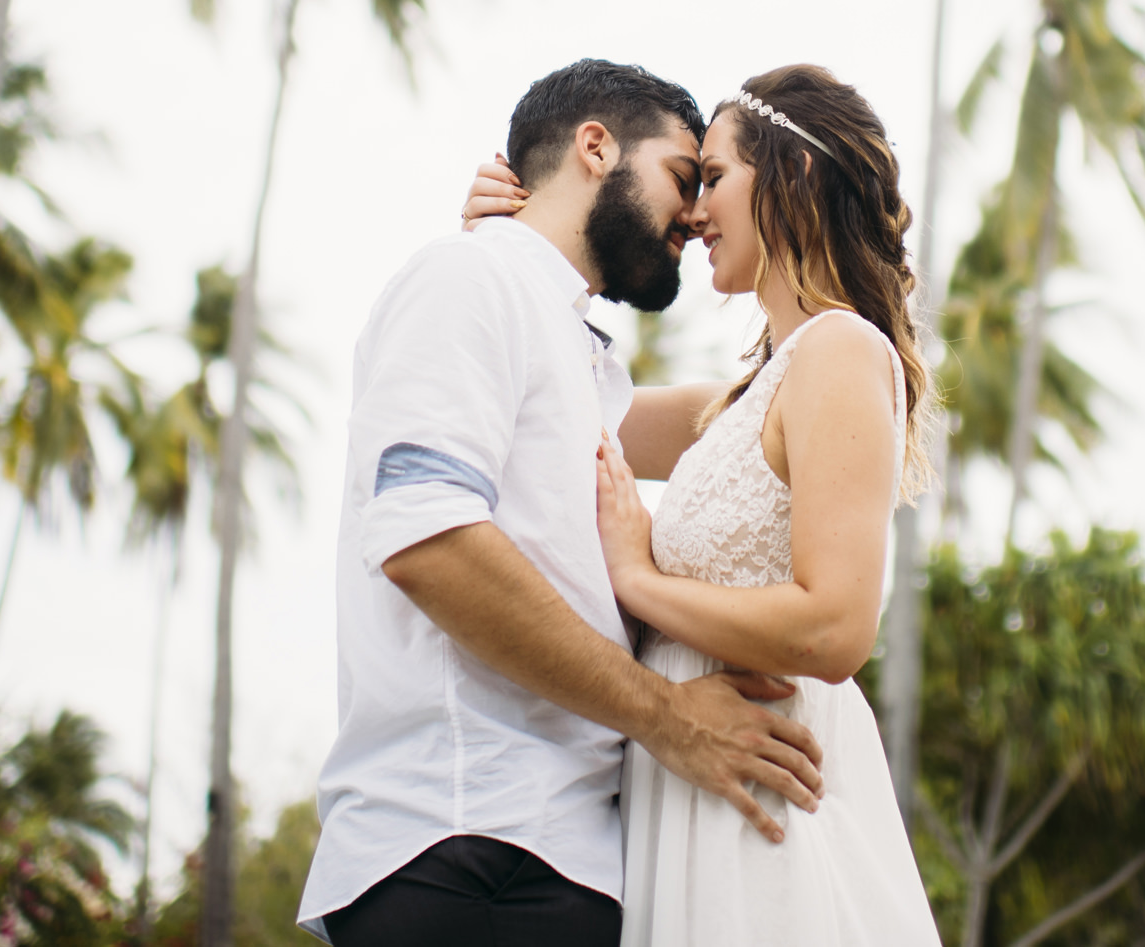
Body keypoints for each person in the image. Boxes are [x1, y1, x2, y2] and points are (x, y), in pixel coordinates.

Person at [300, 59, 829, 947]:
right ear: (596, 147)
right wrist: (666, 719)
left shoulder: (570, 342)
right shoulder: (468, 280)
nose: (695, 214)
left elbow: (740, 422)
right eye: (683, 177)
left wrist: (836, 324)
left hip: (553, 858)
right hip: (467, 842)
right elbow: (428, 540)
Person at [464, 63, 943, 946]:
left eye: (713, 177)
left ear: (791, 176)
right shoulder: (733, 404)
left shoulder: (840, 350)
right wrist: (513, 243)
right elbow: (554, 402)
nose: (690, 212)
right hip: (684, 797)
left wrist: (638, 581)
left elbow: (837, 628)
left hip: (763, 809)